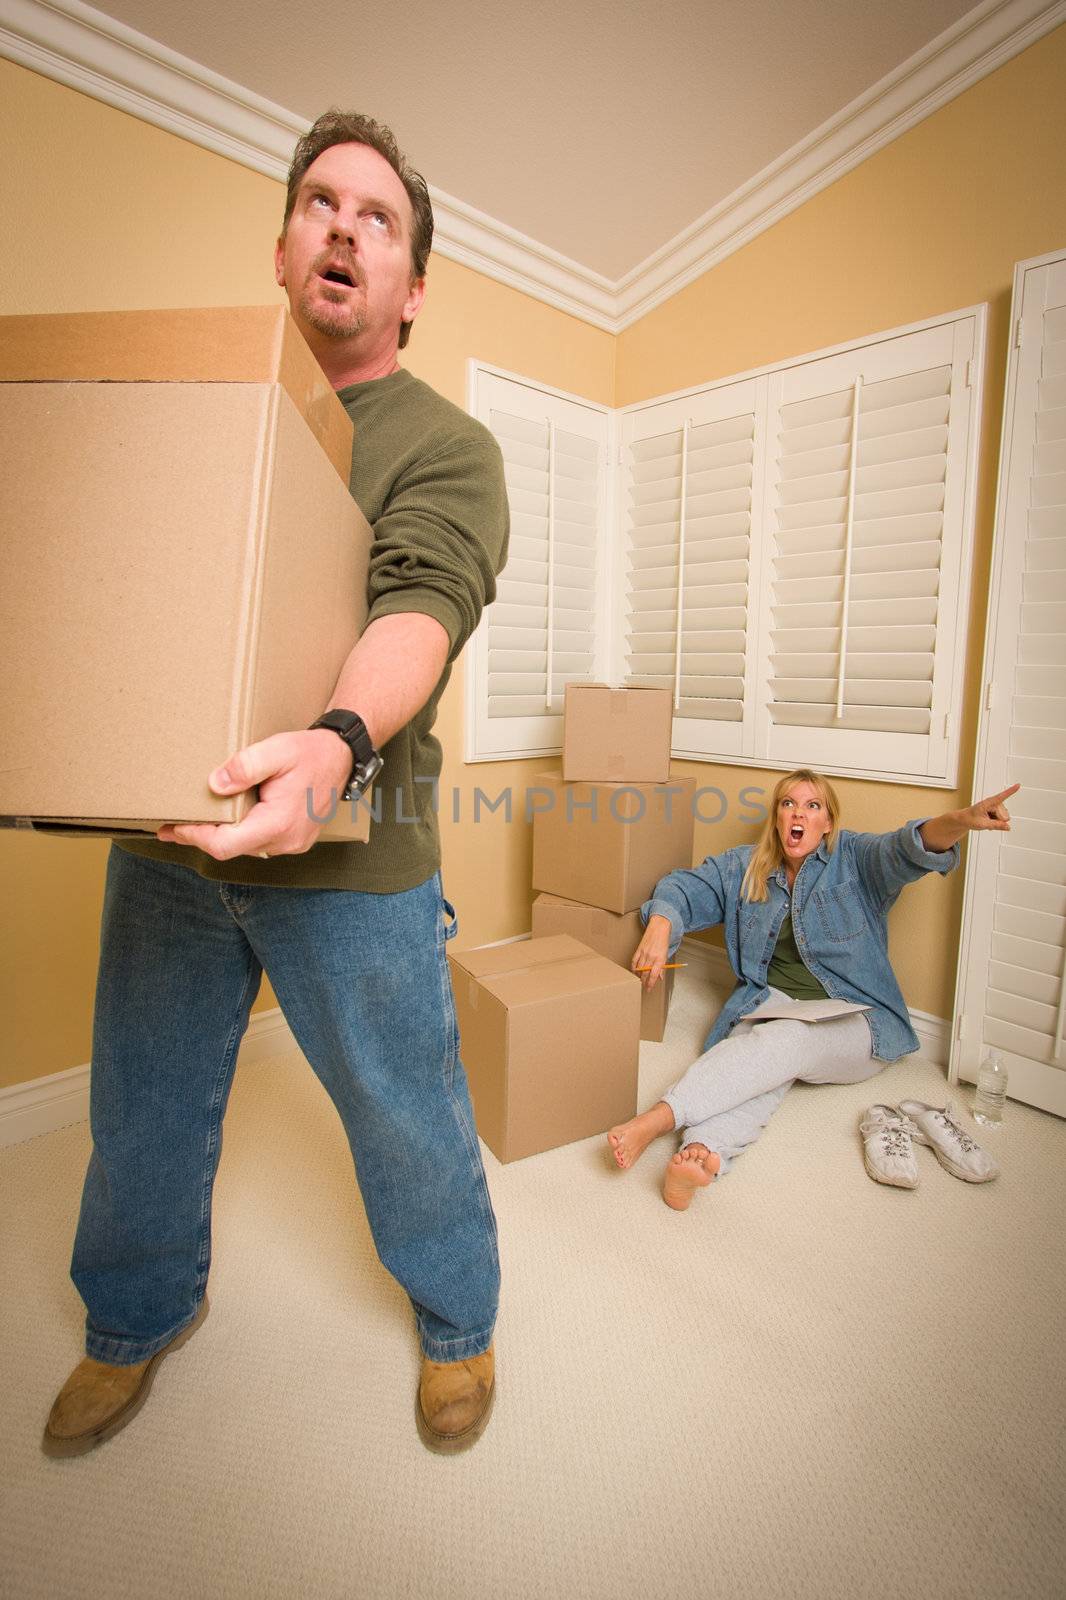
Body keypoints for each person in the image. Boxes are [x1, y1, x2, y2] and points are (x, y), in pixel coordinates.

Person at [44, 112, 508, 1457]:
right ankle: (130, 1324)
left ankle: (457, 1323)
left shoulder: (444, 445)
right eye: (319, 204)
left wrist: (334, 747)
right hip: (170, 844)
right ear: (283, 246)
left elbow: (421, 602)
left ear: (411, 289)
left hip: (351, 866)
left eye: (377, 217)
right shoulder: (199, 414)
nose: (343, 227)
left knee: (404, 1111)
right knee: (140, 1103)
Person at [608, 769, 1018, 1209]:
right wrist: (661, 924)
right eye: (788, 804)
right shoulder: (743, 867)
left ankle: (656, 1119)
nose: (797, 814)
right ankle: (704, 1152)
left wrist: (961, 819)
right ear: (776, 818)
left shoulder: (856, 860)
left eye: (812, 805)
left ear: (827, 822)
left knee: (786, 1040)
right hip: (771, 1004)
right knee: (764, 1059)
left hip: (857, 1018)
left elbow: (908, 847)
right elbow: (683, 888)